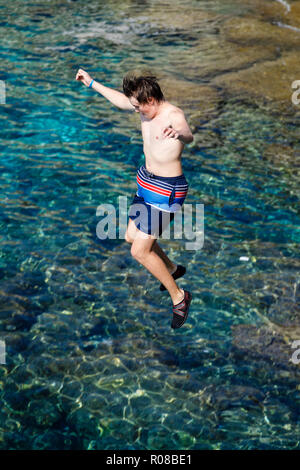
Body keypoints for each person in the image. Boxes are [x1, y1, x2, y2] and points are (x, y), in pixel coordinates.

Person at [75, 68, 193, 329]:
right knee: (131, 236)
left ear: (150, 100)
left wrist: (179, 134)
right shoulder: (144, 108)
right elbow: (121, 101)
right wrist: (92, 83)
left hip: (167, 189)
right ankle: (172, 269)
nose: (137, 112)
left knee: (139, 250)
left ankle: (179, 297)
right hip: (146, 183)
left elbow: (189, 136)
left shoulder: (173, 115)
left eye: (139, 108)